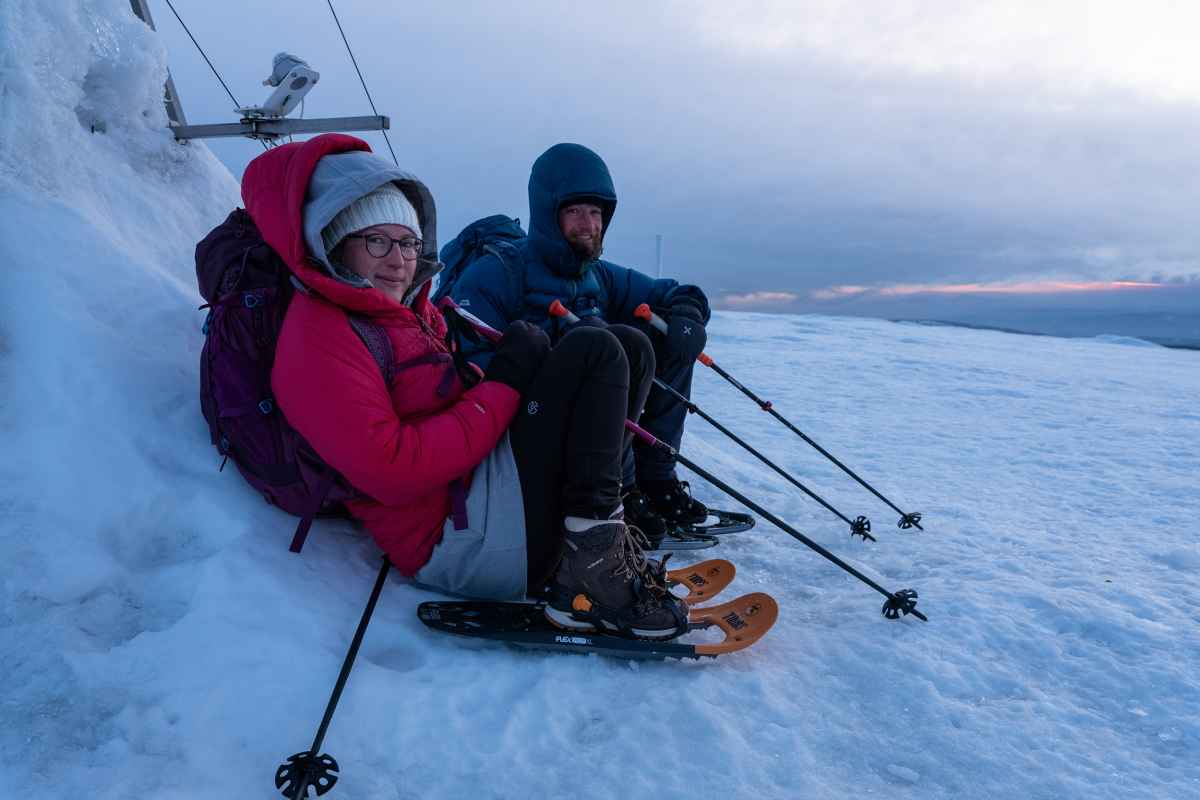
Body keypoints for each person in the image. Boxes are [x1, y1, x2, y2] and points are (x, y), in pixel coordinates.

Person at [240, 133, 687, 639]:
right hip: (458, 542)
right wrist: (504, 385)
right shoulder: (320, 338)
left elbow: (442, 391)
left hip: (481, 494)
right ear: (335, 245)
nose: (398, 260)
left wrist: (500, 374)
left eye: (408, 242)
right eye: (377, 241)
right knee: (596, 349)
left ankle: (599, 539)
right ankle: (589, 572)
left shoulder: (403, 310)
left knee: (628, 345)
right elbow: (392, 470)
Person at [446, 143, 712, 545]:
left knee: (661, 338)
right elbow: (474, 367)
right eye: (574, 211)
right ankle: (617, 494)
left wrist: (689, 314)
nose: (588, 224)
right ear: (548, 214)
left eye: (596, 212)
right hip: (526, 426)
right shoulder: (496, 274)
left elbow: (673, 292)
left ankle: (654, 480)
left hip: (593, 424)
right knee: (612, 343)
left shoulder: (598, 275)